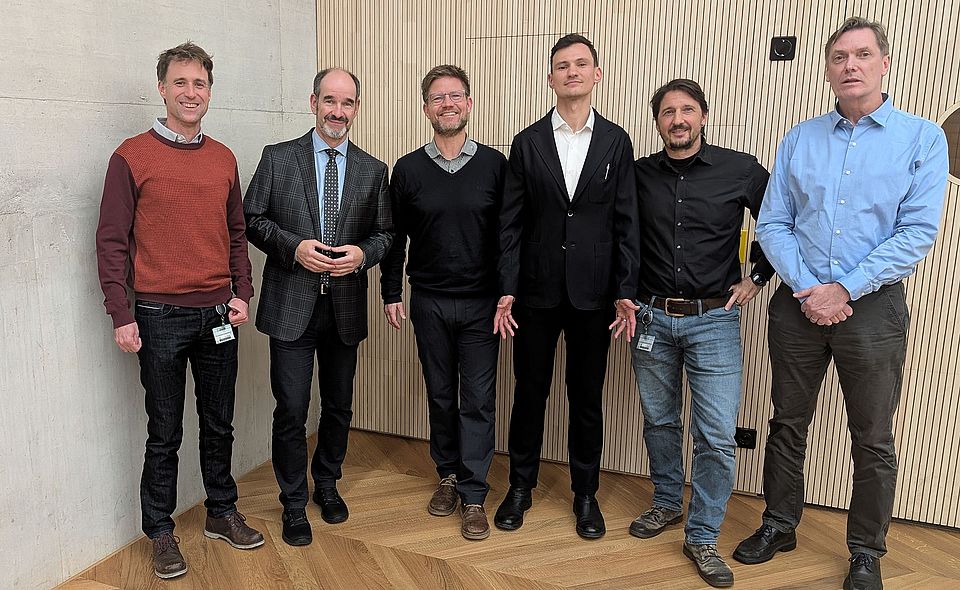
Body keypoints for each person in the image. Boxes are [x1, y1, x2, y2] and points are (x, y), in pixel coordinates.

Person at [734, 17, 949, 590]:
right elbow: (773, 223)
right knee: (787, 423)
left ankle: (866, 552)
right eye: (839, 57)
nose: (850, 65)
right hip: (797, 304)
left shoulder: (923, 139)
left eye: (862, 54)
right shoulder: (800, 138)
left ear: (884, 64)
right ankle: (779, 524)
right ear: (828, 70)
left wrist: (844, 288)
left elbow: (916, 233)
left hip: (872, 308)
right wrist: (809, 287)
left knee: (872, 436)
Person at [95, 42, 263, 579]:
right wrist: (121, 314)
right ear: (162, 89)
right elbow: (111, 242)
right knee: (164, 431)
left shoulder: (223, 158)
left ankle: (220, 512)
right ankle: (162, 531)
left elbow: (236, 233)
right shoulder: (131, 157)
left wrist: (241, 292)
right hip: (158, 316)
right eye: (181, 83)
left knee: (219, 424)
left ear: (210, 92)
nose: (191, 93)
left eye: (200, 84)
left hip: (217, 315)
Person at [627, 78, 774, 588]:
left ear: (703, 116)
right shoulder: (638, 174)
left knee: (714, 435)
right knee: (660, 421)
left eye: (687, 110)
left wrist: (757, 277)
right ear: (658, 122)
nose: (678, 120)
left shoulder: (741, 169)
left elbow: (780, 222)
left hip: (714, 320)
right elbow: (618, 234)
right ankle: (667, 502)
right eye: (668, 112)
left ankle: (703, 535)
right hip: (651, 317)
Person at [493, 33, 641, 540]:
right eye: (562, 65)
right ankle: (520, 487)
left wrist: (625, 289)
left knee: (586, 396)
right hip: (535, 292)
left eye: (581, 64)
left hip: (594, 295)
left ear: (596, 75)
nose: (572, 71)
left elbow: (627, 222)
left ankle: (585, 494)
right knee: (529, 392)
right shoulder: (527, 141)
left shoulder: (616, 141)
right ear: (550, 77)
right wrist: (507, 286)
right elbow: (510, 224)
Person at [243, 68, 392, 546]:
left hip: (344, 309)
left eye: (347, 103)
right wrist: (294, 248)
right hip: (291, 307)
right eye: (330, 100)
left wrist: (363, 255)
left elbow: (387, 234)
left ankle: (326, 483)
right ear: (313, 102)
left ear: (357, 108)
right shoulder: (278, 158)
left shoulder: (373, 170)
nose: (337, 111)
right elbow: (251, 218)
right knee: (291, 409)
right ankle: (292, 502)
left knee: (338, 406)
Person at [380, 64, 507, 541]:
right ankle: (448, 475)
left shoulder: (495, 165)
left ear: (469, 104)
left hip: (482, 305)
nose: (447, 104)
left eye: (455, 96)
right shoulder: (408, 169)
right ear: (426, 108)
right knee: (439, 393)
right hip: (429, 301)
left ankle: (474, 494)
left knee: (476, 400)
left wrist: (509, 292)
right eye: (437, 98)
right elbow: (394, 237)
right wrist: (392, 291)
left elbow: (509, 236)